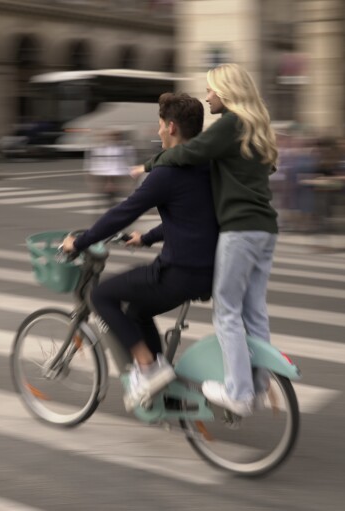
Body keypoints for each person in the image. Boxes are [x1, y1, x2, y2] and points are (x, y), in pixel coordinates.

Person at [131, 63, 278, 416]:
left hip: (239, 230)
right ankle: (257, 385)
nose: (208, 95)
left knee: (226, 312)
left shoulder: (230, 123)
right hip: (265, 229)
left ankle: (239, 394)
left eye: (211, 89)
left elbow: (190, 152)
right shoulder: (256, 128)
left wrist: (150, 164)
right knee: (254, 311)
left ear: (226, 92)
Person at [62, 93, 218, 411]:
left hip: (180, 272)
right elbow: (191, 217)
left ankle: (148, 368)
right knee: (138, 311)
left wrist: (78, 242)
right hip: (207, 270)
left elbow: (123, 211)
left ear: (171, 127)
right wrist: (146, 238)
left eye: (160, 125)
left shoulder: (167, 171)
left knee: (102, 295)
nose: (158, 131)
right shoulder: (206, 163)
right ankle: (167, 393)